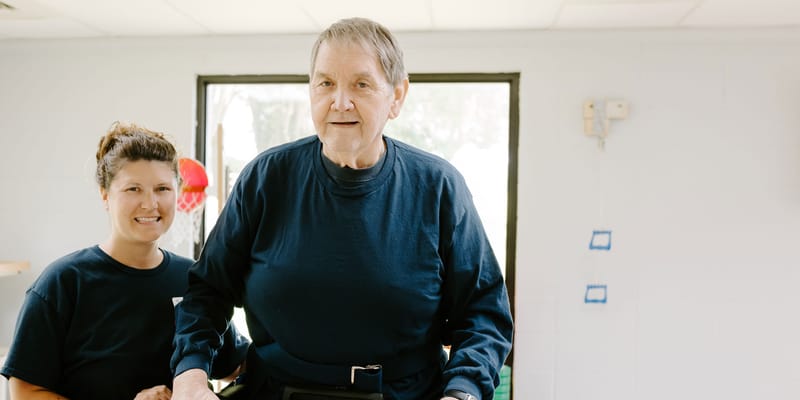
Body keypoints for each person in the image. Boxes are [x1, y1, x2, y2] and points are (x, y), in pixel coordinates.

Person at [171, 17, 513, 400]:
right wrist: (190, 375)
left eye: (361, 84)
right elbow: (207, 292)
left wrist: (462, 392)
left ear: (397, 96)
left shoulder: (439, 187)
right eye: (326, 83)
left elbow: (484, 316)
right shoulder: (266, 178)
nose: (340, 102)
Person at [0, 122, 249, 400]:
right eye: (133, 189)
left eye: (162, 189)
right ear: (105, 194)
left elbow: (234, 366)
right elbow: (25, 391)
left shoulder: (194, 279)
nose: (150, 203)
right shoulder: (63, 282)